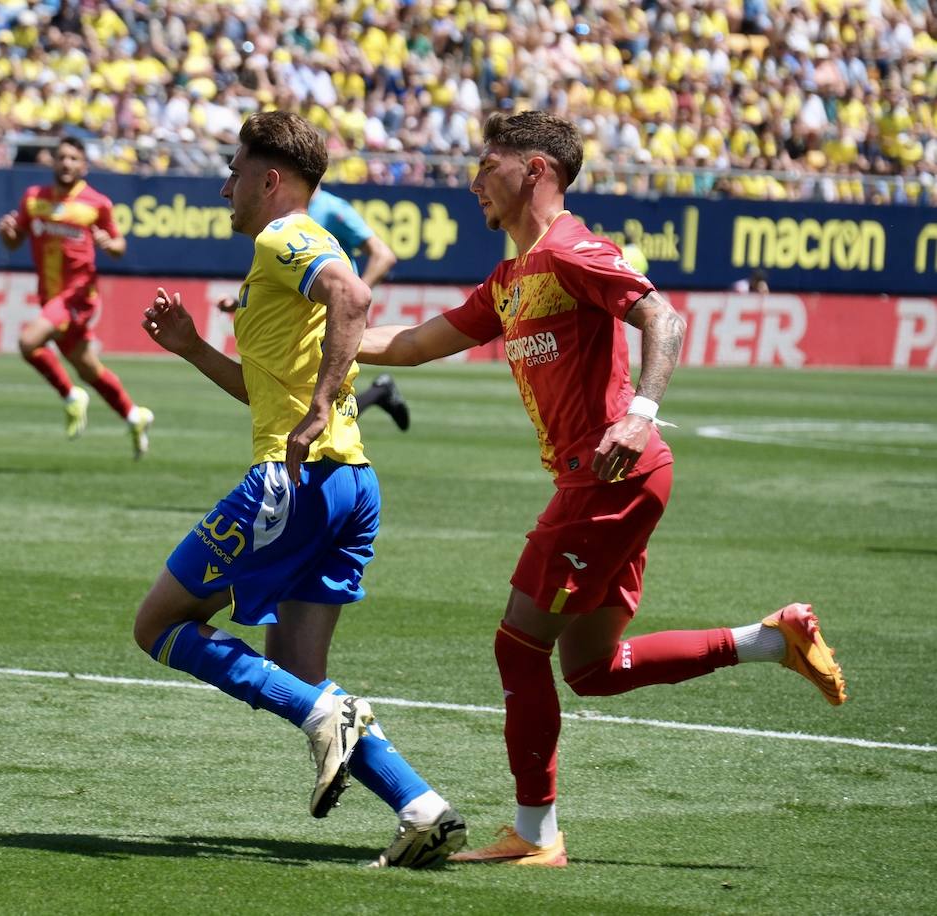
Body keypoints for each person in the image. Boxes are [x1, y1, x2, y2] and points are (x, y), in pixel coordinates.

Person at [357, 110, 847, 867]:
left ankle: (535, 835)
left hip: (609, 475)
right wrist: (317, 342)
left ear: (536, 170)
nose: (473, 180)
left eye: (488, 164)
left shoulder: (573, 251)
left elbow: (663, 317)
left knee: (518, 647)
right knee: (591, 669)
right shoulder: (512, 277)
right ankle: (771, 639)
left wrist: (641, 413)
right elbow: (415, 344)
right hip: (608, 481)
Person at [135, 111, 467, 869]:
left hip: (297, 480)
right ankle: (422, 807)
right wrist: (193, 349)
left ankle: (327, 716)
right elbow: (264, 392)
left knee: (157, 625)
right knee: (300, 672)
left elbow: (354, 298)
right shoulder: (278, 258)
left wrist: (318, 406)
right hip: (349, 483)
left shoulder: (284, 235)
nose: (225, 187)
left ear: (270, 179)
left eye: (234, 171)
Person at [0, 135, 155, 459]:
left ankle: (70, 397)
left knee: (29, 343)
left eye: (73, 158)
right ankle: (133, 415)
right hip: (50, 296)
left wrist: (109, 244)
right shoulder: (33, 198)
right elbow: (15, 242)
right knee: (88, 368)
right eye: (62, 157)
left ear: (84, 166)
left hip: (77, 296)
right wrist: (7, 233)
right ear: (53, 162)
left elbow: (119, 245)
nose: (67, 163)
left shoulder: (97, 203)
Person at [308, 188, 411, 432]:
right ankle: (380, 392)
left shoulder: (332, 208)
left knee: (320, 406)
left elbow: (383, 255)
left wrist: (353, 300)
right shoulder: (293, 210)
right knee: (319, 405)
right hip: (306, 315)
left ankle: (380, 392)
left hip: (331, 315)